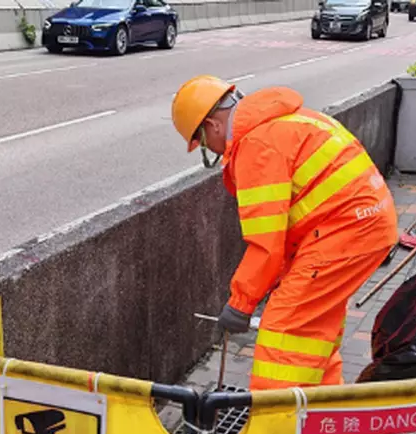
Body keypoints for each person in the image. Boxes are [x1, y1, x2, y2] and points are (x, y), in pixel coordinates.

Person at [170, 76, 398, 390]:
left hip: (347, 229)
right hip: (363, 223)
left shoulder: (256, 146)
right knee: (315, 326)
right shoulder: (287, 122)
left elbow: (266, 242)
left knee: (285, 328)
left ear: (213, 125)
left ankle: (276, 423)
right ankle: (321, 408)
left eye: (205, 143)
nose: (213, 150)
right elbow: (296, 220)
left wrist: (240, 304)